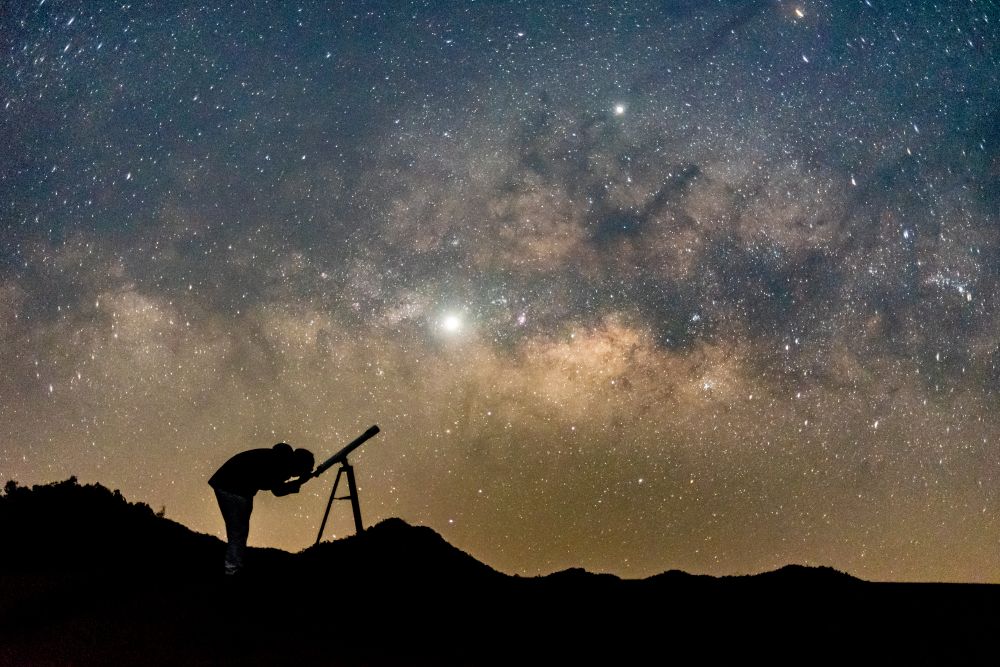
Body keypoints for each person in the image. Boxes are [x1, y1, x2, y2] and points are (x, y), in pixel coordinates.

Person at [208, 442, 315, 575]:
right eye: (303, 470)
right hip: (231, 487)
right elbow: (278, 491)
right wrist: (300, 482)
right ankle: (232, 570)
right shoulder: (281, 463)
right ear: (299, 464)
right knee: (238, 530)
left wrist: (298, 481)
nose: (298, 474)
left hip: (235, 487)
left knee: (239, 530)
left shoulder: (280, 459)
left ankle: (234, 566)